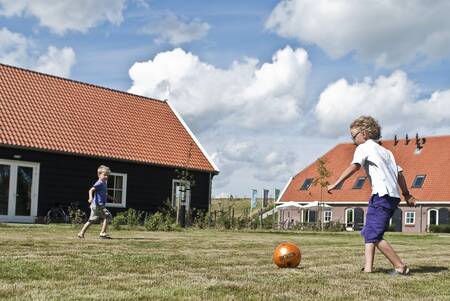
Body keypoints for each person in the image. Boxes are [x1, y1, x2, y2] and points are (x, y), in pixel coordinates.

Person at [327, 116, 417, 275]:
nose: (353, 140)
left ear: (364, 134)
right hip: (391, 196)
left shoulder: (363, 147)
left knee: (372, 234)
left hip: (381, 195)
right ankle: (368, 269)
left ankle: (400, 266)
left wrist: (337, 183)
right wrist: (407, 194)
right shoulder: (386, 151)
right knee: (370, 230)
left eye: (354, 136)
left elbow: (354, 166)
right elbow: (400, 174)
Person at [78, 165, 113, 239]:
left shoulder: (104, 183)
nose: (106, 177)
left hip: (95, 205)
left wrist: (111, 197)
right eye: (104, 175)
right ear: (99, 174)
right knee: (108, 216)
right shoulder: (99, 183)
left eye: (107, 175)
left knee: (92, 219)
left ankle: (81, 233)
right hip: (98, 205)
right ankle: (102, 233)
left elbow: (104, 193)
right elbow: (91, 190)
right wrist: (90, 198)